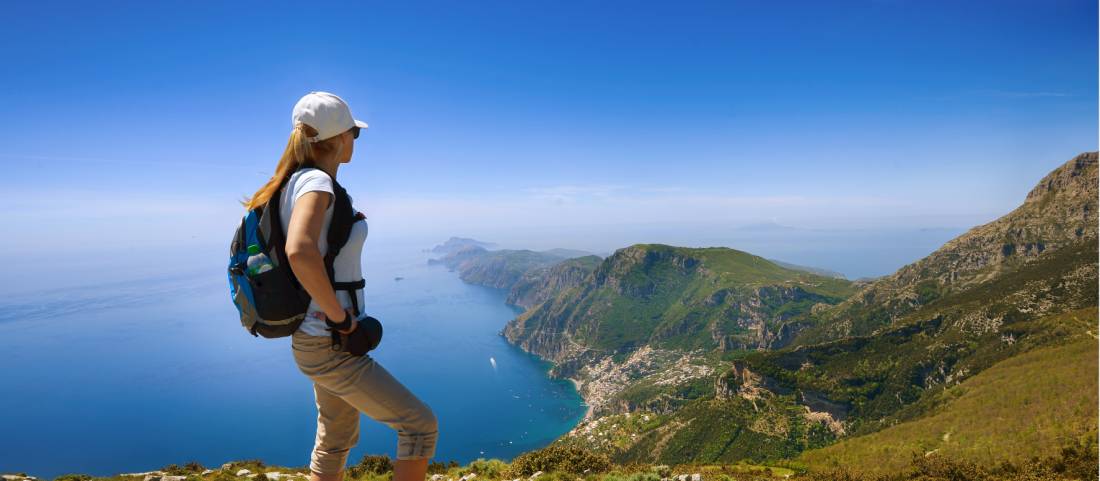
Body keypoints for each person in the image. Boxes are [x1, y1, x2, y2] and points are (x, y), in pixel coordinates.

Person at [242, 91, 438, 481]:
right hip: (330, 340)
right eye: (354, 133)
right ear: (339, 137)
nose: (355, 141)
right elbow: (300, 251)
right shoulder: (317, 182)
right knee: (419, 426)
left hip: (312, 338)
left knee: (336, 438)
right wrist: (343, 320)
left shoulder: (290, 183)